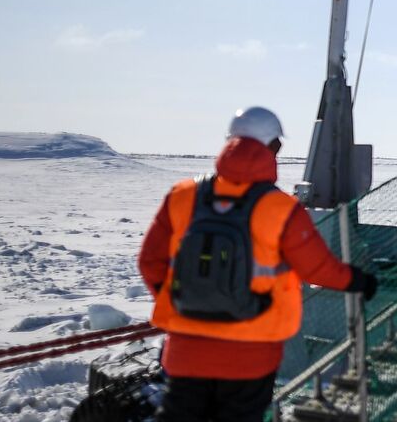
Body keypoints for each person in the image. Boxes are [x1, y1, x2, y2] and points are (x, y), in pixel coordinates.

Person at [138, 107, 378, 422]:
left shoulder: (183, 195)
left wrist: (186, 301)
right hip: (251, 356)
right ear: (274, 147)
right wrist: (359, 281)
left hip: (185, 353)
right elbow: (317, 269)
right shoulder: (282, 209)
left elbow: (149, 262)